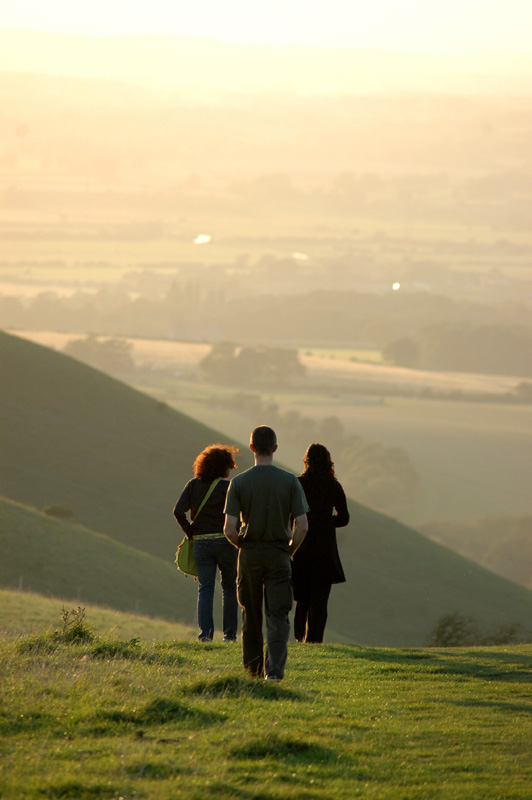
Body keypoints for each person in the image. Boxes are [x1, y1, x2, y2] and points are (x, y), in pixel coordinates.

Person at [224, 425, 309, 681]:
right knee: (278, 614)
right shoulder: (290, 481)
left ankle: (252, 671)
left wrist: (243, 546)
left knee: (250, 614)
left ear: (251, 448)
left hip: (249, 554)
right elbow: (303, 525)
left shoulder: (239, 483)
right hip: (279, 554)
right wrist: (289, 549)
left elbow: (229, 529)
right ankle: (274, 673)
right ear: (275, 448)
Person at [173, 444, 239, 642]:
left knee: (205, 589)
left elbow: (178, 511)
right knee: (229, 588)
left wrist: (190, 531)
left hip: (200, 543)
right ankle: (229, 636)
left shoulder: (193, 485)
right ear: (224, 466)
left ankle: (205, 636)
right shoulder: (228, 488)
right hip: (225, 541)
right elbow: (239, 515)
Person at [291, 443, 350, 644]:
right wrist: (326, 521)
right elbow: (344, 518)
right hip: (325, 549)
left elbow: (290, 513)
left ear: (306, 461)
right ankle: (315, 640)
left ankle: (299, 637)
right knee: (320, 599)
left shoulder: (298, 484)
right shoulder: (334, 486)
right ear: (328, 462)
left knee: (302, 597)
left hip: (301, 546)